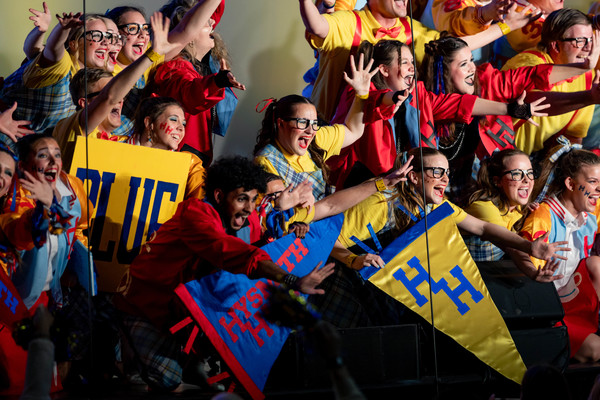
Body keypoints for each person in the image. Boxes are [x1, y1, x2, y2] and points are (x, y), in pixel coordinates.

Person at [116, 156, 335, 390]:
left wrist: (294, 230)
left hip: (180, 317)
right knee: (163, 382)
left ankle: (185, 364)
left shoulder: (244, 220)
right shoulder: (195, 213)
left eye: (253, 200)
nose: (249, 208)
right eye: (242, 199)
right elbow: (233, 252)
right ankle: (118, 356)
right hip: (142, 309)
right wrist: (291, 280)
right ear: (219, 196)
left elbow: (261, 249)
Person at [327, 38, 568, 189]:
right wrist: (393, 97)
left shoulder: (418, 95)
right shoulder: (361, 94)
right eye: (405, 62)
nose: (412, 68)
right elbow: (377, 102)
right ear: (384, 70)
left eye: (412, 62)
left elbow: (459, 103)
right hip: (361, 185)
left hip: (407, 188)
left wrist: (510, 109)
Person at [419, 32, 599, 201]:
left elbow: (530, 76)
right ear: (443, 71)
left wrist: (584, 68)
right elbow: (462, 105)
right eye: (463, 64)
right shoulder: (424, 100)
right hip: (428, 189)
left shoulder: (485, 81)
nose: (472, 68)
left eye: (472, 60)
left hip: (478, 185)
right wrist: (508, 109)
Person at [298, 0, 540, 120]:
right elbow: (318, 27)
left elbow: (455, 46)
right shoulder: (350, 22)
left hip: (380, 138)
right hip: (330, 132)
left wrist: (506, 26)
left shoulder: (410, 29)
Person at [51, 12, 178, 171]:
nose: (119, 101)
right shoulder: (75, 126)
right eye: (103, 95)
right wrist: (152, 54)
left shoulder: (120, 141)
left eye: (121, 97)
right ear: (85, 103)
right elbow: (109, 97)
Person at [516, 139, 600, 362]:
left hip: (574, 300)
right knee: (596, 350)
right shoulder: (543, 215)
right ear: (570, 184)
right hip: (548, 309)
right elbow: (522, 258)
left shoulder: (590, 214)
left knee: (596, 264)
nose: (599, 189)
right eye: (593, 182)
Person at [254, 54, 376, 201]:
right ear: (281, 124)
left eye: (314, 123)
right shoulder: (266, 161)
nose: (311, 130)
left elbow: (353, 130)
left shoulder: (316, 139)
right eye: (302, 122)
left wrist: (361, 95)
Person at [105, 0, 226, 136]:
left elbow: (186, 29)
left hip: (128, 146)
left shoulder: (149, 60)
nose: (142, 35)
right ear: (114, 35)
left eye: (145, 28)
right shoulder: (100, 70)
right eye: (132, 28)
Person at [147, 0, 244, 165]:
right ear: (189, 36)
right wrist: (216, 82)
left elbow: (214, 10)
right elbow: (190, 93)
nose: (212, 23)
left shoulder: (194, 68)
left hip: (193, 161)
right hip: (178, 163)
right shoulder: (174, 67)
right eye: (206, 23)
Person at [0, 12, 123, 137]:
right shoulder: (62, 64)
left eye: (107, 37)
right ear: (73, 43)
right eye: (96, 35)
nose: (106, 43)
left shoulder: (95, 79)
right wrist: (63, 29)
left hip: (30, 143)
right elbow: (54, 48)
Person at [502, 9, 596, 155]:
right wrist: (588, 97)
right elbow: (535, 102)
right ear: (556, 46)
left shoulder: (588, 76)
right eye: (580, 41)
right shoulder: (528, 63)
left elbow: (573, 136)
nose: (588, 48)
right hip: (496, 151)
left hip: (533, 157)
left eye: (590, 40)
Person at [464, 149, 534, 261]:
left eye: (530, 173)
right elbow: (511, 246)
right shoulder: (485, 208)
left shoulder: (517, 208)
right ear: (497, 181)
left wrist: (530, 215)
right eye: (516, 174)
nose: (527, 180)